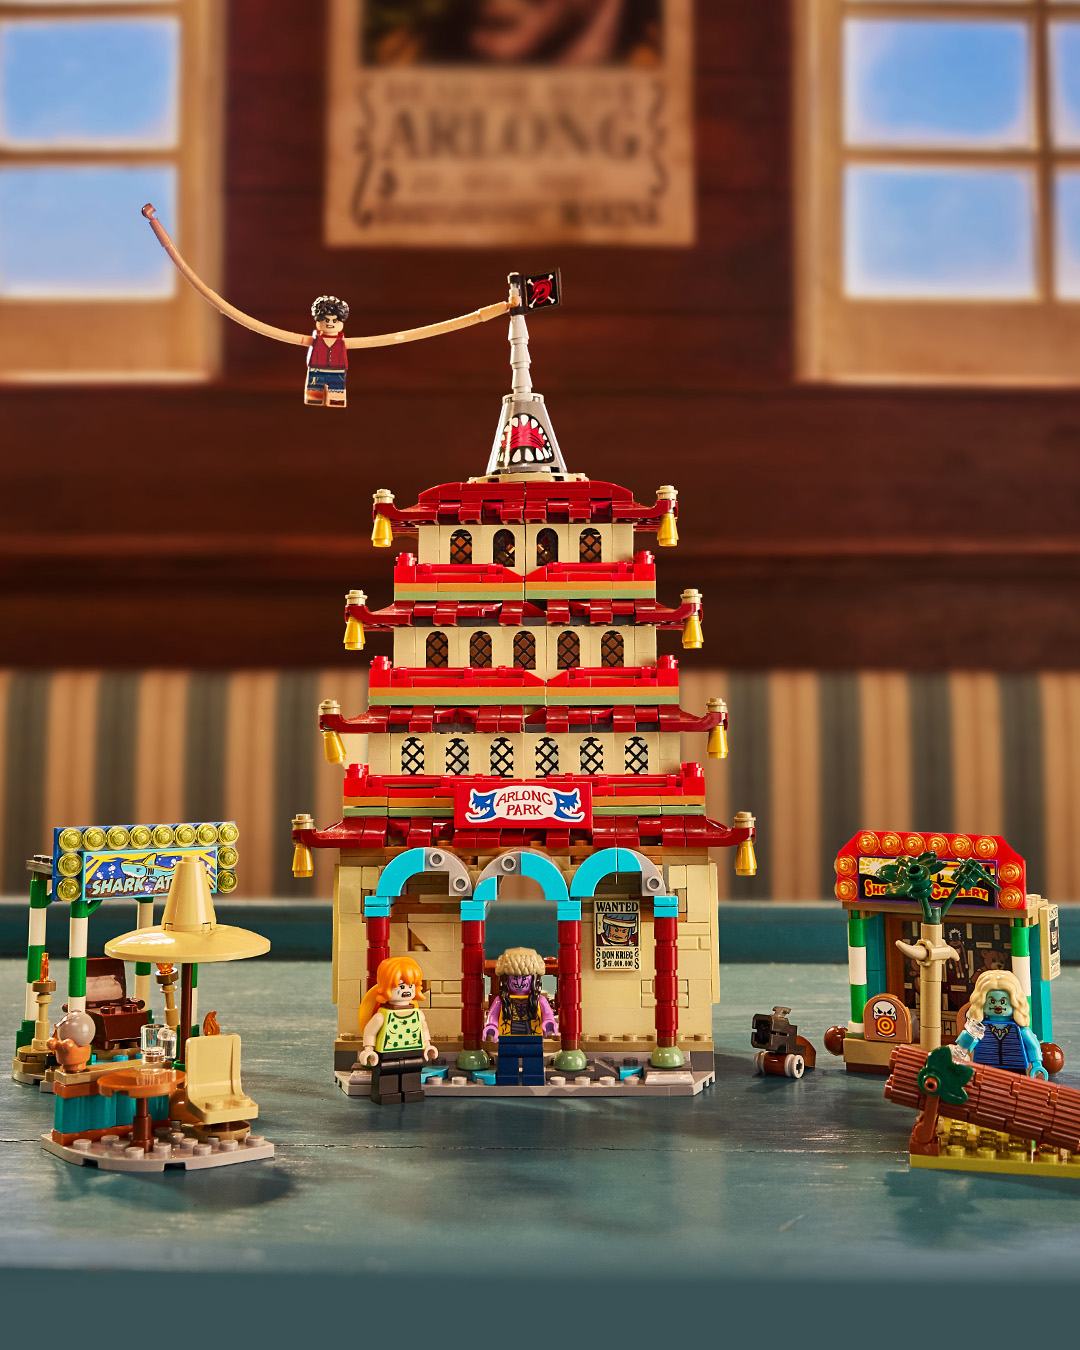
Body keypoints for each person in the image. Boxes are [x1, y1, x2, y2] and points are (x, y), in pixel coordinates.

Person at [356, 956, 438, 1104]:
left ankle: (411, 1092)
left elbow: (423, 1029)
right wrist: (368, 1050)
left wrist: (427, 1045)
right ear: (386, 987)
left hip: (413, 1050)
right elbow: (370, 1032)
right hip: (387, 1053)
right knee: (388, 1073)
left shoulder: (417, 1014)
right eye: (400, 986)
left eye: (410, 986)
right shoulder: (381, 1016)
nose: (406, 990)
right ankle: (387, 1094)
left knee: (412, 1071)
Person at [483, 947, 558, 1086]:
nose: (519, 983)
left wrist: (549, 1022)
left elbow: (548, 1014)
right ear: (506, 979)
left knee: (534, 1061)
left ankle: (533, 1079)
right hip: (508, 1036)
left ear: (534, 979)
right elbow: (492, 1015)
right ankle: (507, 1080)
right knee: (507, 1061)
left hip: (532, 1036)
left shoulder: (539, 1000)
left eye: (524, 978)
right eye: (514, 978)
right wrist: (491, 1026)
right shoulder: (501, 1000)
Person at [955, 969, 1047, 1079]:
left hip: (1015, 1068)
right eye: (992, 1001)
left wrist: (1037, 1064)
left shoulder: (1021, 1030)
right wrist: (964, 1044)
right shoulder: (980, 1028)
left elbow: (1032, 1046)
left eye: (1003, 1001)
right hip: (985, 1068)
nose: (997, 1006)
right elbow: (963, 1047)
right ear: (982, 1002)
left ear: (1014, 1002)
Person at [305, 296, 350, 407]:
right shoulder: (315, 339)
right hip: (316, 369)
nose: (330, 323)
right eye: (326, 320)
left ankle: (336, 399)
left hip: (338, 370)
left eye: (334, 320)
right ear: (318, 321)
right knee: (315, 389)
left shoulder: (342, 341)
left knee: (337, 390)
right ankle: (315, 397)